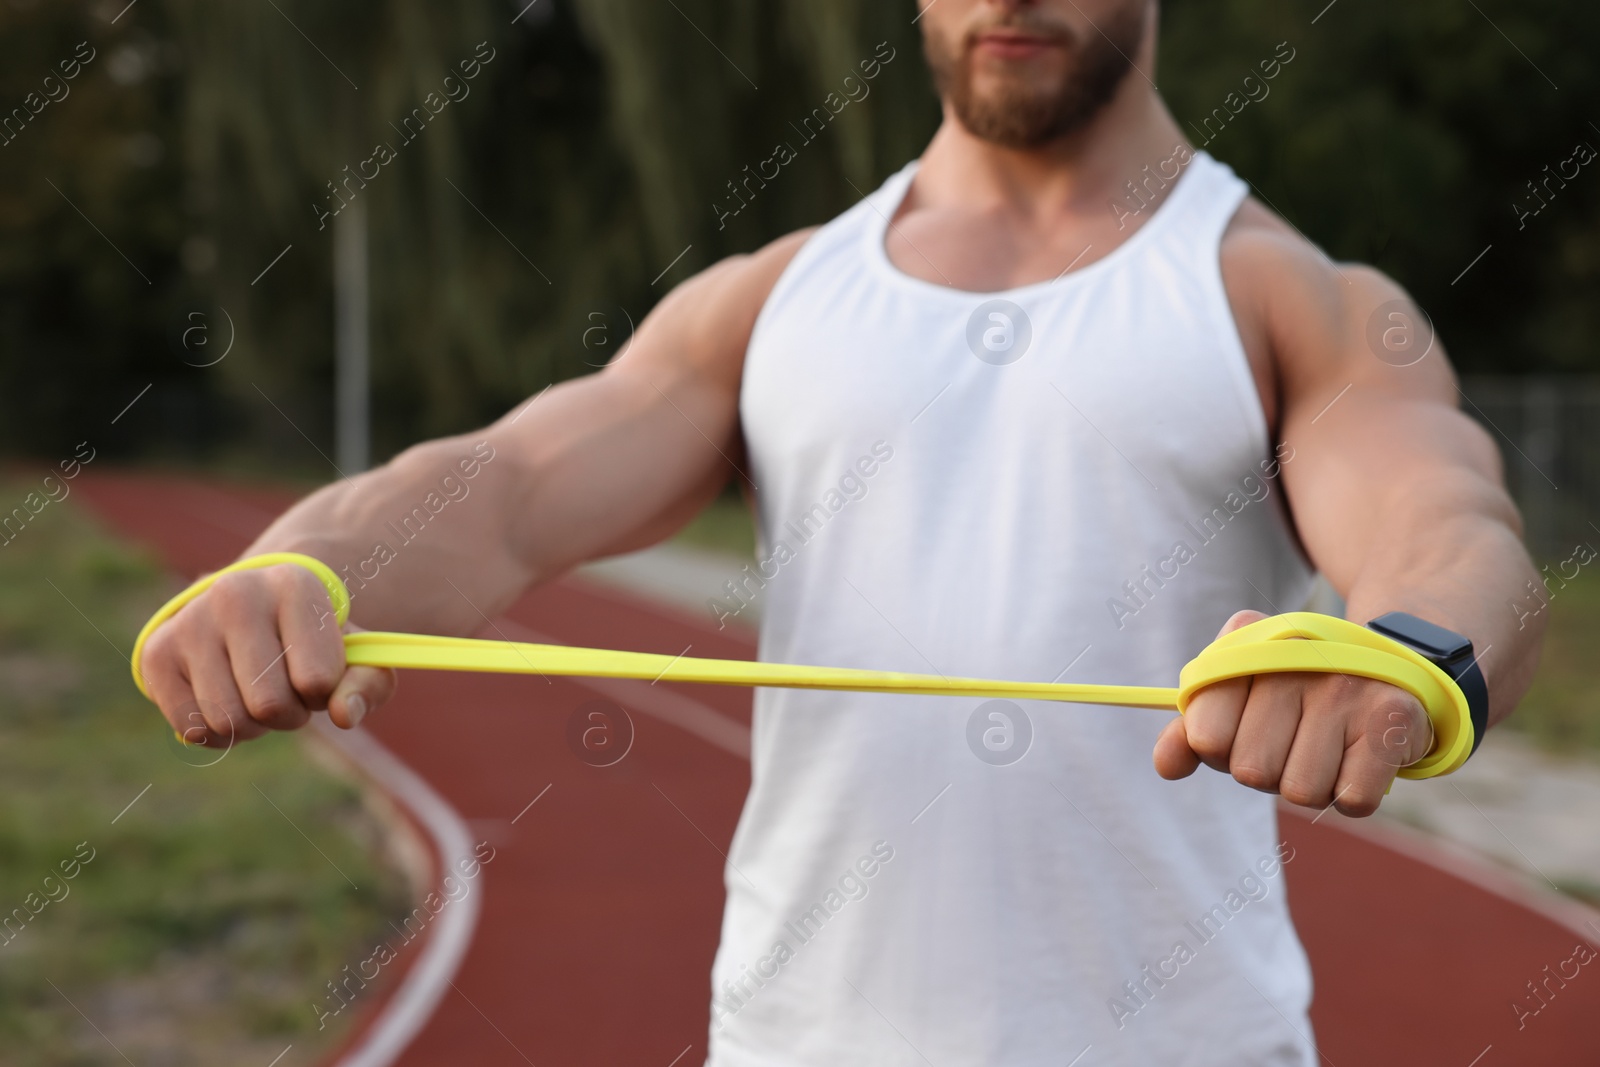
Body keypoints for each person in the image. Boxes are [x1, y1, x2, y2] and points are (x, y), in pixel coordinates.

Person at [140, 1, 1544, 1062]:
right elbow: (502, 486)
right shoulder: (775, 298)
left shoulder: (1291, 296)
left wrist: (1407, 653)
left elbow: (1446, 518)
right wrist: (302, 564)